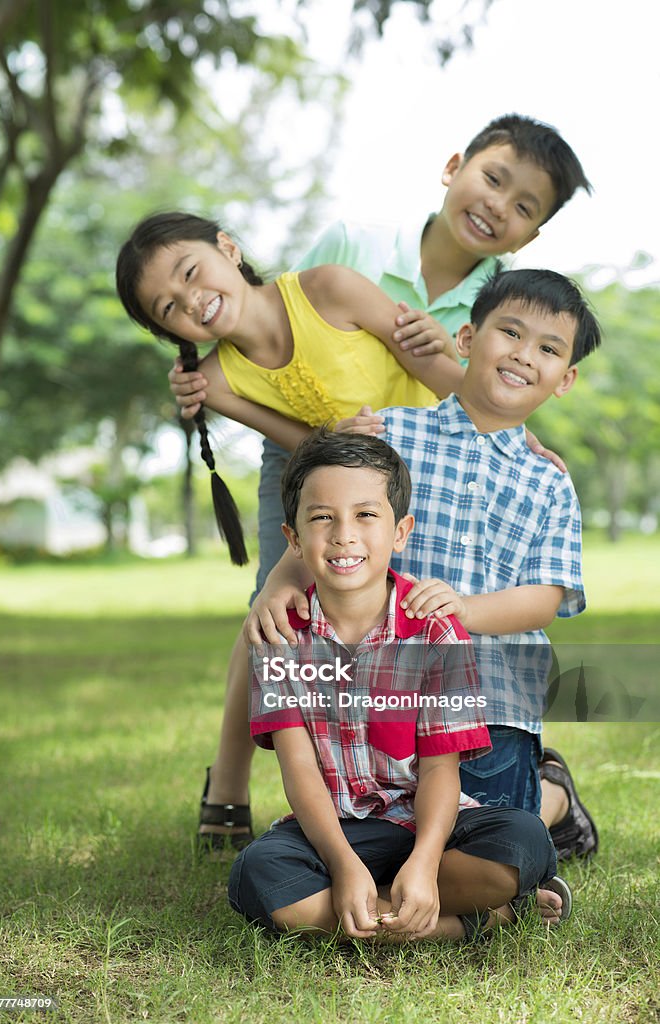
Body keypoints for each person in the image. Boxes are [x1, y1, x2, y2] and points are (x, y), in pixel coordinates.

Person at [160, 114, 594, 852]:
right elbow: (265, 320)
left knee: (409, 627)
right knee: (279, 594)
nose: (498, 206)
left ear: (530, 236)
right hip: (309, 442)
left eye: (524, 206)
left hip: (417, 458)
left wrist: (527, 440)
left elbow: (490, 389)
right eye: (493, 179)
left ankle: (492, 783)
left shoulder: (506, 300)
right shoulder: (354, 247)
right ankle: (229, 791)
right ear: (454, 165)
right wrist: (200, 374)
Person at [248, 269, 601, 873]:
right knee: (381, 826)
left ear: (564, 379)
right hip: (385, 684)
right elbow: (331, 525)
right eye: (509, 333)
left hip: (494, 695)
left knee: (487, 833)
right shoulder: (390, 435)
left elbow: (545, 597)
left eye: (547, 349)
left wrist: (465, 609)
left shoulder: (549, 480)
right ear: (466, 338)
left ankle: (552, 800)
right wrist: (277, 589)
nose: (522, 354)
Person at [228, 429, 568, 941]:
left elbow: (438, 770)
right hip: (340, 829)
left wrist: (427, 864)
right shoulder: (281, 640)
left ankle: (382, 906)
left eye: (366, 515)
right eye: (322, 517)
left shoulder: (434, 629)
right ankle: (469, 923)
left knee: (522, 842)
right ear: (294, 539)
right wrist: (343, 866)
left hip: (428, 821)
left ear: (400, 531)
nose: (344, 535)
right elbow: (299, 770)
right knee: (257, 875)